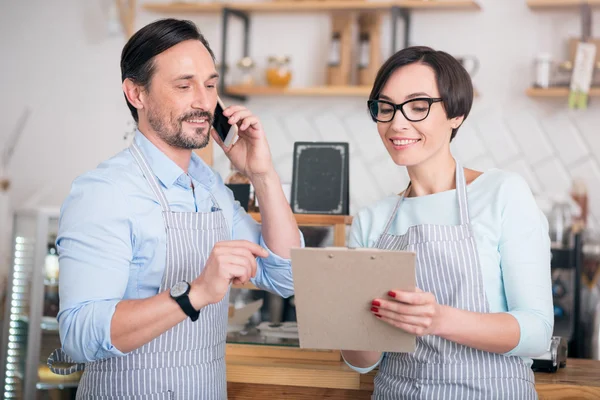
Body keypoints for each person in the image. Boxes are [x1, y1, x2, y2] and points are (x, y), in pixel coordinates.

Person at [47, 18, 303, 399]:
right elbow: (80, 335)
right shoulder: (104, 191)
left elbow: (287, 275)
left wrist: (261, 174)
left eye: (211, 85)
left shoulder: (210, 186)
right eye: (185, 86)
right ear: (137, 94)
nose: (204, 101)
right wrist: (194, 293)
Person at [341, 46, 553, 399]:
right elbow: (362, 361)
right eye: (386, 107)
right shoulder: (371, 221)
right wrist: (343, 316)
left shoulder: (502, 194)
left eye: (418, 106)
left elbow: (536, 332)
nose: (397, 122)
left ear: (457, 114)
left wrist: (438, 320)